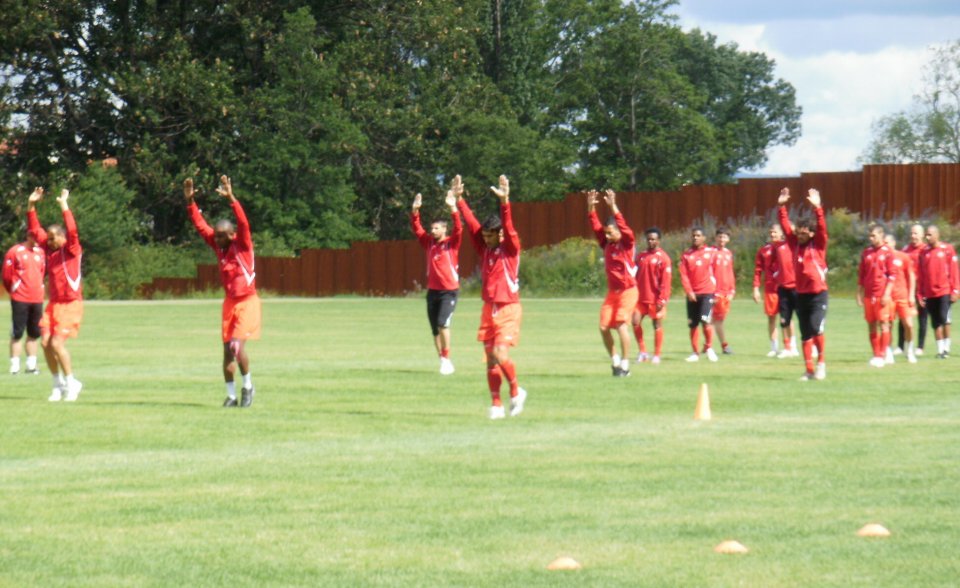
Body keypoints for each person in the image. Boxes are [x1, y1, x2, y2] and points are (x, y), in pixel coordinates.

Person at [185, 176, 261, 407]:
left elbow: (244, 224)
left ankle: (248, 386)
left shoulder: (242, 245)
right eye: (215, 235)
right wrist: (190, 202)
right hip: (229, 303)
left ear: (231, 235)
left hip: (248, 302)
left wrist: (231, 198)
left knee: (237, 346)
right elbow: (200, 225)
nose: (216, 239)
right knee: (227, 351)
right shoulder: (218, 246)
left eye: (221, 236)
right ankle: (231, 395)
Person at [457, 175, 526, 419]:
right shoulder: (484, 248)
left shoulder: (510, 249)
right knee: (489, 360)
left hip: (508, 309)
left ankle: (516, 391)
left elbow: (509, 227)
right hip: (489, 309)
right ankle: (496, 404)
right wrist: (459, 201)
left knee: (500, 354)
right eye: (484, 236)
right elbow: (473, 225)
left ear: (500, 236)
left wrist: (505, 202)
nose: (486, 239)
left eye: (491, 236)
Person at [26, 187, 84, 401]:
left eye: (53, 238)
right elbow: (35, 230)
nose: (49, 241)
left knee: (57, 344)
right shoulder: (49, 250)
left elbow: (73, 230)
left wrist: (63, 205)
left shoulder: (72, 250)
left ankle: (71, 383)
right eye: (48, 239)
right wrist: (31, 206)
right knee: (44, 343)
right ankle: (57, 384)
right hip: (54, 304)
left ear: (62, 237)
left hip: (71, 305)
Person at [410, 176, 462, 375]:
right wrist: (415, 211)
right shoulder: (429, 243)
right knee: (434, 329)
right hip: (432, 291)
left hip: (449, 292)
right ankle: (442, 360)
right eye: (431, 228)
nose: (432, 231)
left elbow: (459, 228)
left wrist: (453, 208)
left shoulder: (451, 243)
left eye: (436, 228)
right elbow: (417, 229)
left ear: (444, 229)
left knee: (442, 323)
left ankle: (447, 358)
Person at [777, 187, 828, 381]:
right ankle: (809, 370)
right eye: (798, 233)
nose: (800, 236)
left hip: (818, 294)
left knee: (816, 328)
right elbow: (785, 226)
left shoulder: (819, 245)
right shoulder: (794, 244)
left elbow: (822, 228)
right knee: (806, 334)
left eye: (804, 233)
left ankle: (821, 364)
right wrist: (782, 206)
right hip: (801, 294)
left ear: (812, 234)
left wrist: (818, 208)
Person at [588, 189, 637, 376]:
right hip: (612, 292)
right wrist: (591, 207)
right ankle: (615, 360)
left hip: (628, 291)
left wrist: (613, 206)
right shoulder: (607, 244)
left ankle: (626, 364)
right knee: (603, 327)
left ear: (618, 231)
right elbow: (595, 225)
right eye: (606, 233)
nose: (607, 236)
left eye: (610, 233)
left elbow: (624, 227)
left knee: (621, 325)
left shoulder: (627, 243)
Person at [3, 232, 45, 375]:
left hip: (37, 298)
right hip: (20, 297)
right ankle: (15, 366)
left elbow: (42, 272)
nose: (38, 240)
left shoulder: (40, 252)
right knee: (17, 332)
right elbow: (7, 276)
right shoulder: (15, 252)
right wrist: (14, 289)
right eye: (36, 237)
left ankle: (31, 365)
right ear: (29, 236)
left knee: (34, 332)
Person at [917, 224, 959, 359]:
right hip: (930, 293)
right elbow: (921, 274)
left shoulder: (947, 249)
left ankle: (946, 348)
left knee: (945, 319)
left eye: (929, 235)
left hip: (944, 291)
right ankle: (940, 351)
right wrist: (920, 293)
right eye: (926, 235)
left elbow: (954, 271)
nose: (927, 238)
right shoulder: (923, 253)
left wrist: (956, 290)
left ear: (937, 235)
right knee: (935, 323)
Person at [856, 225, 895, 368]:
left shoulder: (888, 252)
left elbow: (892, 276)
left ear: (881, 235)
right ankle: (876, 353)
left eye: (874, 236)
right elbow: (862, 275)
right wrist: (859, 293)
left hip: (881, 294)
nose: (871, 238)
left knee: (884, 324)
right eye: (870, 236)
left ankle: (883, 354)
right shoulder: (866, 253)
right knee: (871, 324)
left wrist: (886, 294)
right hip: (868, 295)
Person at [632, 227, 672, 365]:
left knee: (656, 325)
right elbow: (634, 275)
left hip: (655, 299)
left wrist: (662, 298)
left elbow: (666, 281)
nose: (651, 241)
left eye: (653, 239)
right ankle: (643, 352)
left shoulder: (663, 258)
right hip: (640, 298)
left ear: (659, 240)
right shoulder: (641, 256)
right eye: (649, 239)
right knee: (635, 322)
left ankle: (657, 355)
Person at [678, 226, 718, 362]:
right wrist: (689, 291)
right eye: (693, 235)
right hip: (692, 294)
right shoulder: (686, 255)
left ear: (704, 238)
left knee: (705, 321)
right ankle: (695, 353)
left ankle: (709, 347)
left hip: (707, 292)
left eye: (698, 235)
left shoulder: (711, 253)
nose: (695, 238)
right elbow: (684, 275)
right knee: (693, 324)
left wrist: (718, 292)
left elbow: (718, 272)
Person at [753, 224, 786, 357]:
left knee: (786, 318)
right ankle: (774, 348)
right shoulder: (764, 250)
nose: (772, 235)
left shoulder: (787, 248)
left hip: (785, 287)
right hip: (770, 288)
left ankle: (790, 346)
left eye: (775, 232)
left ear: (782, 234)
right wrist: (755, 288)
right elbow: (757, 271)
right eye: (771, 232)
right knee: (771, 318)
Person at [884, 234, 917, 363]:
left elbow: (911, 276)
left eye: (887, 243)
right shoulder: (882, 258)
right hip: (888, 297)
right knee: (888, 325)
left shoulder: (903, 257)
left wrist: (911, 294)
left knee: (908, 324)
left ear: (893, 243)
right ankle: (888, 352)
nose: (885, 246)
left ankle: (910, 350)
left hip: (902, 296)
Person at [900, 224, 928, 356]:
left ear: (922, 235)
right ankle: (901, 346)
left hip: (922, 288)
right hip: (906, 288)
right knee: (903, 317)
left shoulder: (926, 250)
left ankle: (920, 347)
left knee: (922, 317)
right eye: (911, 233)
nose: (913, 236)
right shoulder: (905, 249)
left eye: (916, 233)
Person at [712, 227, 736, 354]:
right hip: (715, 292)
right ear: (716, 238)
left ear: (728, 239)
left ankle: (707, 345)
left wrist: (732, 290)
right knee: (716, 319)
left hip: (726, 292)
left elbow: (730, 272)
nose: (722, 239)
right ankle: (724, 346)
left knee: (714, 320)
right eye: (719, 236)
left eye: (724, 237)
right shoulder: (711, 253)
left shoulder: (728, 253)